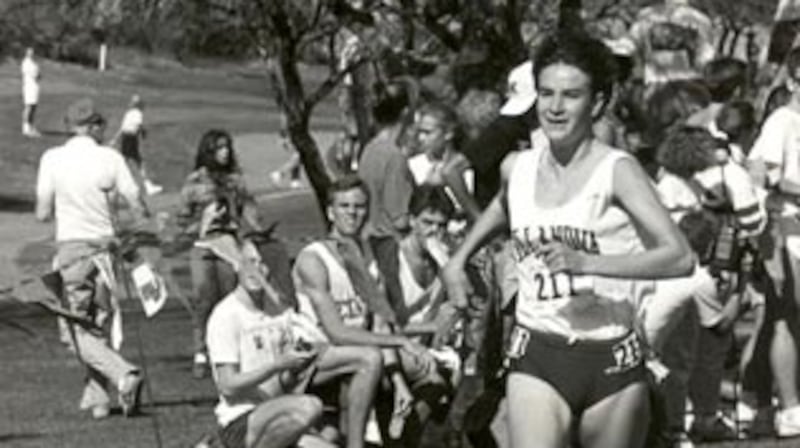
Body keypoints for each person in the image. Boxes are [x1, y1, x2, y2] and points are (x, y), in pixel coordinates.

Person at [443, 31, 694, 448]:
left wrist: (589, 263)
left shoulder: (618, 171)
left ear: (596, 103)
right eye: (546, 94)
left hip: (611, 358)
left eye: (571, 95)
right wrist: (459, 259)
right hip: (537, 352)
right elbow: (503, 206)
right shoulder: (517, 167)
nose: (555, 108)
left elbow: (680, 257)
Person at [293, 176, 445, 446]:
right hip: (313, 355)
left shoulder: (369, 258)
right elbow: (337, 333)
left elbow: (380, 322)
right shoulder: (314, 259)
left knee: (430, 373)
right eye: (344, 206)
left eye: (359, 206)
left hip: (355, 350)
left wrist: (398, 382)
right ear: (330, 212)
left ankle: (402, 437)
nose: (352, 213)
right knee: (370, 358)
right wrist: (401, 341)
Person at [35, 98, 148, 419]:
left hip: (73, 250)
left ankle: (123, 374)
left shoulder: (52, 158)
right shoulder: (111, 157)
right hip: (107, 252)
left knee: (71, 330)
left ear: (70, 127)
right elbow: (137, 204)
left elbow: (42, 213)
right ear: (94, 127)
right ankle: (99, 400)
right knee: (95, 326)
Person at [207, 243, 383, 448]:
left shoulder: (278, 310)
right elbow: (227, 386)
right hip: (242, 420)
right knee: (309, 407)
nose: (257, 270)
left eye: (263, 264)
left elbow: (287, 375)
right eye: (250, 262)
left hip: (281, 415)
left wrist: (299, 362)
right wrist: (277, 365)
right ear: (237, 265)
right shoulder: (226, 315)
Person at [177, 129, 265, 379]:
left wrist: (257, 231)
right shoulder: (195, 181)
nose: (224, 153)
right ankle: (200, 352)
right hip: (203, 246)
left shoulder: (235, 180)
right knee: (204, 297)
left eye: (227, 147)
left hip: (229, 246)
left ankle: (228, 350)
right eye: (219, 148)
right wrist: (202, 221)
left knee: (228, 298)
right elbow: (182, 220)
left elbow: (249, 210)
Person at [357, 82, 416, 315]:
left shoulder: (369, 150)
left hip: (370, 246)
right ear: (405, 113)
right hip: (391, 250)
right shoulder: (394, 156)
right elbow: (399, 218)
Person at [628, 0, 715, 99]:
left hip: (655, 81)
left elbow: (633, 46)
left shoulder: (645, 15)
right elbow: (706, 55)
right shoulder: (700, 19)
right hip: (686, 83)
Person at [113, 94, 162, 195]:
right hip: (131, 139)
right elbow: (138, 125)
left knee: (126, 161)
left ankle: (120, 185)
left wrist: (115, 139)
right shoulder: (137, 113)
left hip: (125, 139)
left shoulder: (128, 113)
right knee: (138, 161)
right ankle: (147, 186)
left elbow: (122, 128)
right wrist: (143, 132)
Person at [21, 47, 42, 137]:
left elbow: (39, 75)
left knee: (33, 107)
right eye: (30, 53)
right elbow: (36, 75)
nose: (32, 55)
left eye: (33, 53)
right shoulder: (26, 63)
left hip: (34, 87)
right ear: (27, 53)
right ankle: (26, 128)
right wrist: (37, 74)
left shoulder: (34, 63)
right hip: (29, 87)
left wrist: (38, 74)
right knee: (28, 107)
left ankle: (31, 126)